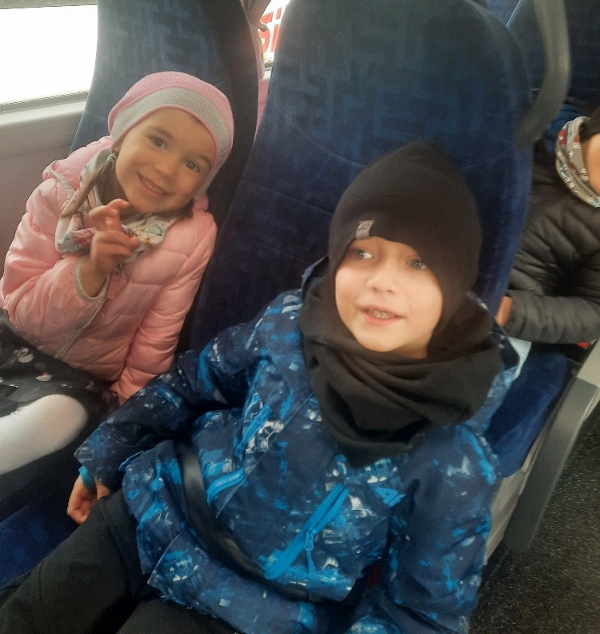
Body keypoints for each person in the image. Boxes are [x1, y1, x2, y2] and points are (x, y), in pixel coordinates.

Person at [0, 142, 518, 634]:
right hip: (152, 508)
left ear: (455, 282)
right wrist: (110, 451)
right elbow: (192, 383)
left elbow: (419, 611)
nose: (382, 280)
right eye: (362, 253)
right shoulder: (290, 322)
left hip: (247, 605)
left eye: (418, 262)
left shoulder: (453, 454)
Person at [0, 71, 234, 507]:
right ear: (122, 138)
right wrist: (89, 271)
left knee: (62, 417)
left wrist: (120, 434)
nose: (167, 169)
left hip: (81, 379)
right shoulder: (61, 191)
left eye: (193, 165)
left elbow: (154, 345)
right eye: (158, 141)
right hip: (13, 333)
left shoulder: (191, 237)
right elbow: (17, 304)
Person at [497, 107, 600, 345]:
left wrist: (510, 311)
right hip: (436, 258)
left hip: (507, 303)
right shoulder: (532, 130)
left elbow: (594, 312)